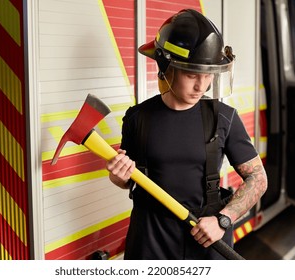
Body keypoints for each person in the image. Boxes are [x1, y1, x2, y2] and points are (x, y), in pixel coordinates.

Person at [106, 9, 268, 260]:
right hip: (151, 237)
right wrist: (119, 177)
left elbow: (258, 178)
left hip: (207, 234)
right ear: (166, 66)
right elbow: (130, 179)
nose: (201, 85)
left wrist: (223, 220)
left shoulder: (224, 117)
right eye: (192, 74)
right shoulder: (137, 118)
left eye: (208, 75)